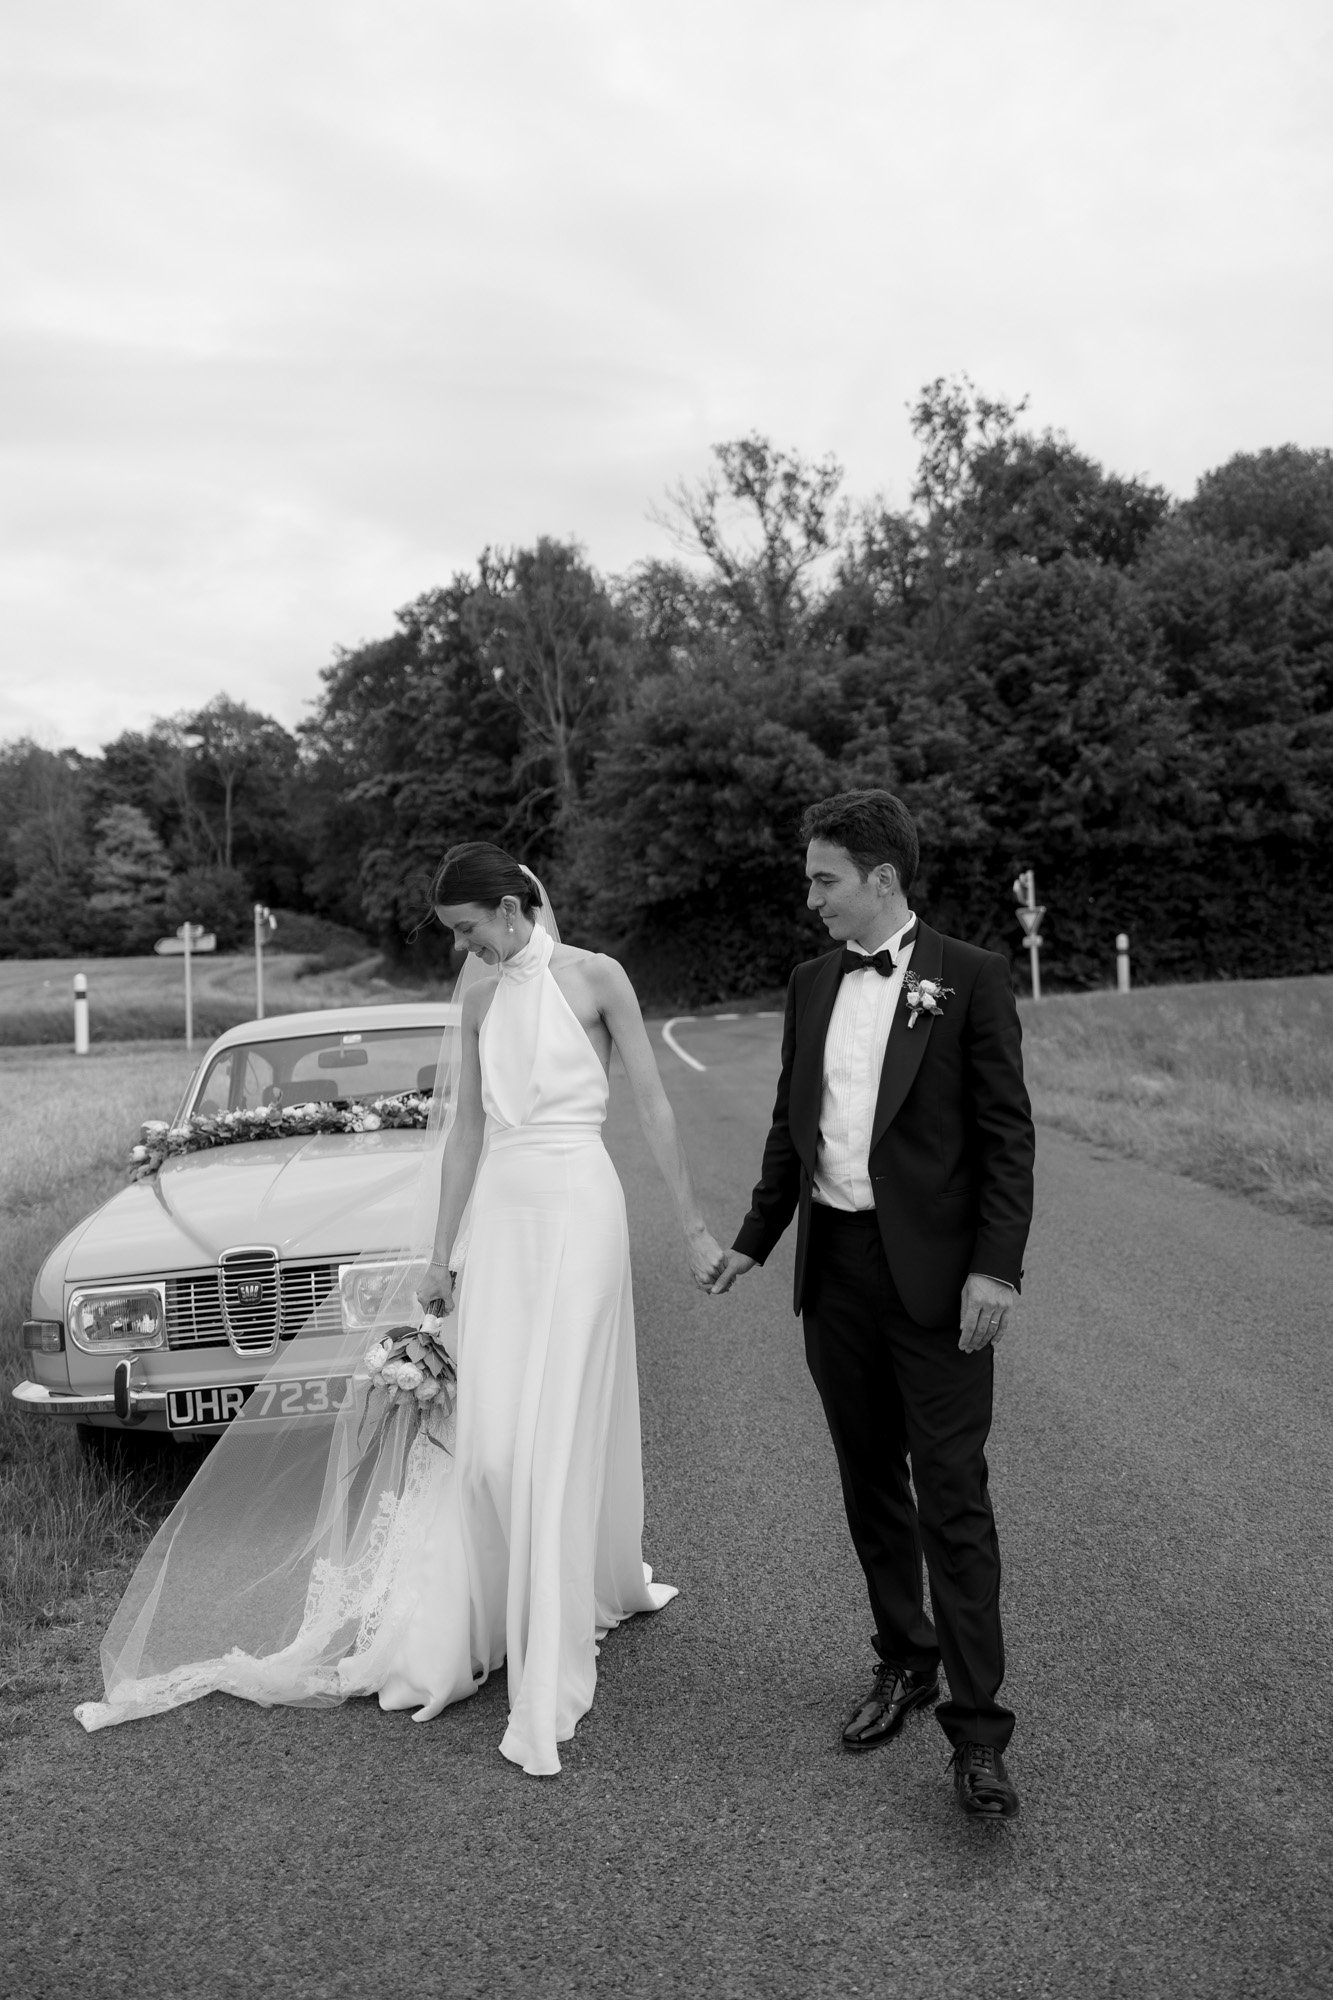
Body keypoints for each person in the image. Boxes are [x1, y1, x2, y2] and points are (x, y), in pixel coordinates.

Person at [77, 844, 724, 1777]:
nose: (462, 946)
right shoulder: (475, 989)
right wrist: (438, 1256)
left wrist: (695, 1228)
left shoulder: (597, 979)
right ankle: (498, 1608)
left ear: (512, 908)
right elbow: (462, 1128)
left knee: (557, 1421)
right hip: (501, 1214)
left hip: (581, 1204)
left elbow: (656, 1108)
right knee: (493, 1440)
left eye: (467, 929)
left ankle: (554, 1643)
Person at [711, 791, 1034, 1817]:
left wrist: (996, 1266)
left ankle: (978, 1732)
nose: (810, 899)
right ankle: (905, 1656)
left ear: (881, 879)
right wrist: (754, 1241)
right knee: (868, 1479)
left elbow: (1005, 1137)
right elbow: (788, 1125)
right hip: (836, 1266)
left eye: (824, 879)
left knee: (952, 1490)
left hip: (938, 1279)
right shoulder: (810, 983)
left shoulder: (971, 976)